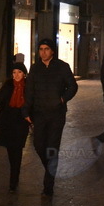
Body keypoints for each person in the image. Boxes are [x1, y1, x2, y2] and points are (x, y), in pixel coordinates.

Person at [23, 38, 78, 197]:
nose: (43, 52)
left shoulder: (62, 67)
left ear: (52, 51)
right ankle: (51, 169)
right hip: (39, 113)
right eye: (41, 49)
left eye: (46, 49)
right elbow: (29, 91)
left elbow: (73, 86)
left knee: (52, 148)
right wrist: (26, 111)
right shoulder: (35, 68)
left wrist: (62, 99)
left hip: (56, 114)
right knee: (39, 145)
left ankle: (48, 185)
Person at [0, 63, 32, 192]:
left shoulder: (28, 87)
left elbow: (32, 103)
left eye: (19, 72)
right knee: (11, 152)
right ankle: (13, 179)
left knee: (18, 150)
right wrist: (6, 92)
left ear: (24, 74)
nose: (16, 75)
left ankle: (13, 181)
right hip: (8, 122)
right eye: (14, 72)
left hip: (21, 122)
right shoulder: (8, 85)